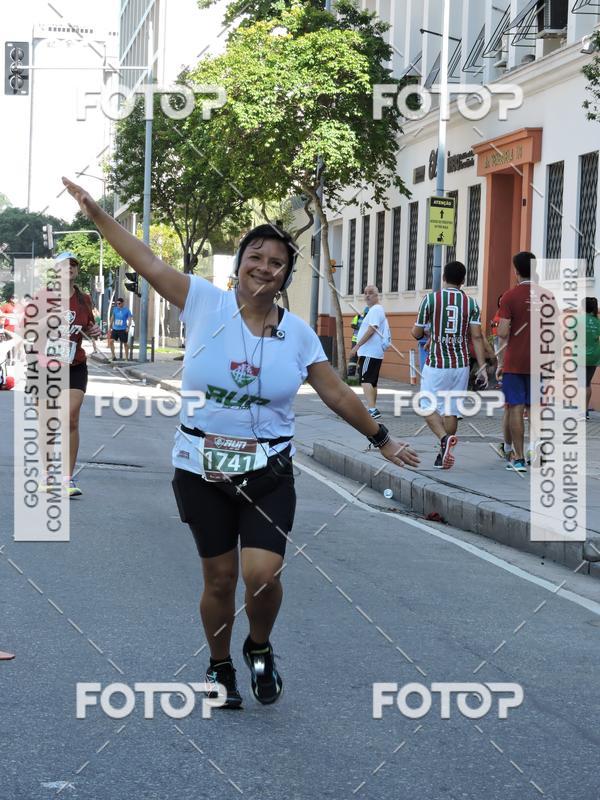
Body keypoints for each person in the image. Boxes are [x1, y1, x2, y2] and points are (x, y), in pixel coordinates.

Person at [62, 176, 420, 709]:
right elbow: (147, 261)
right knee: (220, 579)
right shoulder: (204, 301)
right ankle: (219, 664)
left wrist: (382, 438)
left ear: (285, 276)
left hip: (269, 469)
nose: (264, 266)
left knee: (262, 574)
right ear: (240, 264)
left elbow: (337, 393)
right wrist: (97, 215)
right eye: (256, 255)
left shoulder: (297, 334)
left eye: (277, 262)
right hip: (199, 465)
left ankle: (259, 646)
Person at [34, 252, 102, 496]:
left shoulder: (84, 300)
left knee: (70, 418)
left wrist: (95, 330)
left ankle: (67, 479)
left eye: (73, 265)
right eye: (65, 265)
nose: (70, 268)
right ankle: (46, 475)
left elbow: (90, 328)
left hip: (75, 365)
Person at [411, 261, 488, 469]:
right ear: (463, 281)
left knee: (426, 406)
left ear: (443, 277)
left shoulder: (430, 300)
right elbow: (477, 337)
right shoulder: (471, 304)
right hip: (461, 364)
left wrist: (429, 332)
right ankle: (442, 452)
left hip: (436, 362)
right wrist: (482, 367)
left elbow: (416, 333)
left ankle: (444, 440)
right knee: (450, 410)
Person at [495, 252, 539, 473]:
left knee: (515, 408)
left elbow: (502, 332)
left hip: (515, 362)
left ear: (516, 270)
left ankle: (519, 459)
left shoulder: (510, 297)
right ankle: (536, 452)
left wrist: (500, 363)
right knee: (535, 409)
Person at [349, 285, 391, 419]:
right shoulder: (375, 310)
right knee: (372, 382)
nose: (367, 295)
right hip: (374, 352)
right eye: (365, 293)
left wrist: (357, 346)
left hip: (369, 352)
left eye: (371, 293)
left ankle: (372, 409)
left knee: (365, 380)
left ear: (377, 295)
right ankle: (373, 408)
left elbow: (372, 329)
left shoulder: (375, 310)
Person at [581, 296, 600, 418]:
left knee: (582, 384)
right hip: (594, 356)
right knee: (587, 383)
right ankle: (585, 411)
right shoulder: (597, 321)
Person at [348, 306, 368, 377]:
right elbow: (352, 325)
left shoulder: (369, 318)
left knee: (362, 357)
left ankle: (360, 373)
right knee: (354, 357)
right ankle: (351, 372)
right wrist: (361, 327)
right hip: (356, 340)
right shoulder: (358, 317)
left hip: (363, 341)